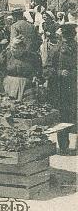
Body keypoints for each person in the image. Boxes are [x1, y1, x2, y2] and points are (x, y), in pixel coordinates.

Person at [47, 23, 77, 153]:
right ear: (62, 37)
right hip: (62, 89)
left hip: (76, 87)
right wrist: (59, 73)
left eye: (71, 37)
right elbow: (47, 69)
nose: (69, 40)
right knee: (63, 117)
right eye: (67, 37)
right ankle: (63, 145)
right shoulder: (56, 50)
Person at [0, 33, 42, 101]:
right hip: (9, 85)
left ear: (23, 48)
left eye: (15, 48)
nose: (12, 49)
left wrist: (36, 76)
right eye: (11, 47)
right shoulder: (6, 55)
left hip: (25, 86)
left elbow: (38, 70)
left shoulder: (32, 57)